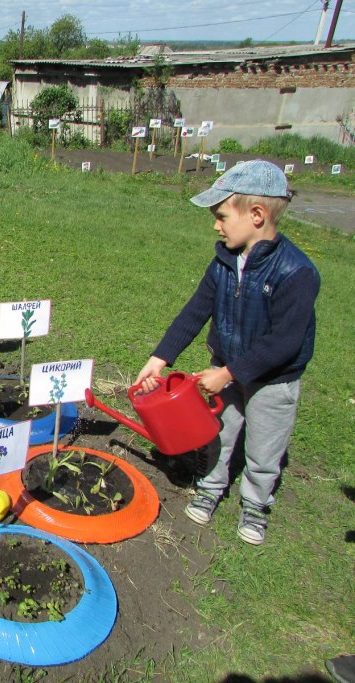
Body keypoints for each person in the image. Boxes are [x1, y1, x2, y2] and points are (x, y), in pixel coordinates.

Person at [135, 159, 320, 546]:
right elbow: (195, 311)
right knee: (217, 430)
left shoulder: (296, 272)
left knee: (264, 446)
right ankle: (210, 486)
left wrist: (229, 373)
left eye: (221, 216)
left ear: (256, 215)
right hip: (226, 369)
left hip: (273, 381)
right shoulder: (224, 261)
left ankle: (255, 503)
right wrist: (159, 358)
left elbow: (284, 342)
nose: (216, 226)